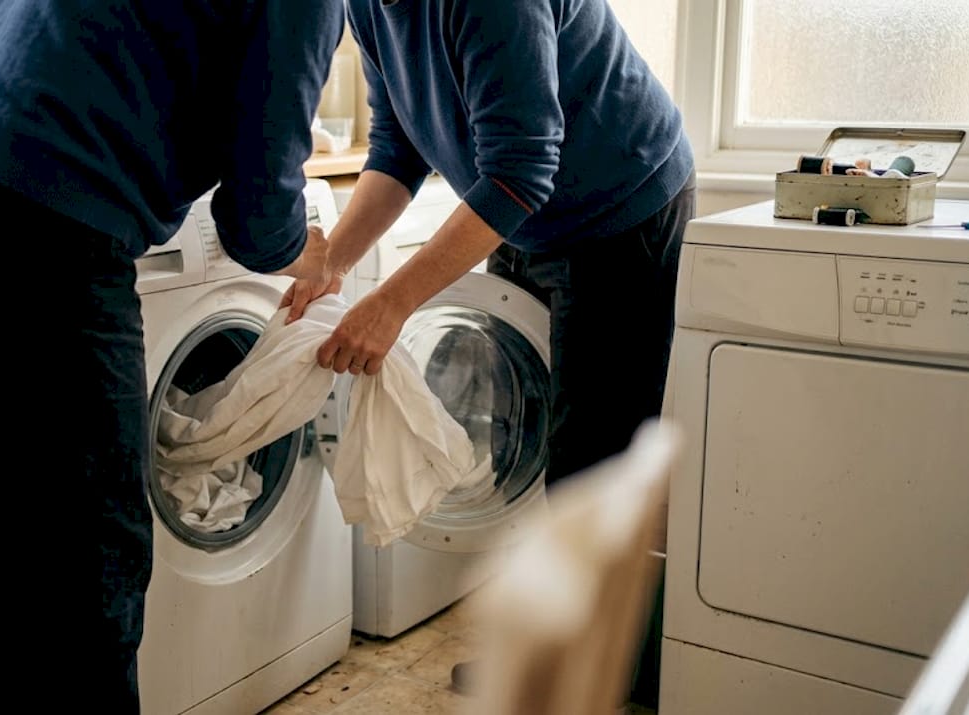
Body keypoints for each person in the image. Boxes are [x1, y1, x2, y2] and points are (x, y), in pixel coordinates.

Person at [0, 1, 344, 711]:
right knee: (92, 557)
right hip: (43, 202)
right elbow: (258, 207)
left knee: (25, 539)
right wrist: (305, 249)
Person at [277, 0, 695, 694]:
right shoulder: (370, 7)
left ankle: (604, 670)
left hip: (621, 202)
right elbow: (397, 146)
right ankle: (552, 651)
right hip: (526, 215)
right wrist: (335, 264)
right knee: (517, 428)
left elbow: (521, 169)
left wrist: (392, 303)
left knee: (592, 453)